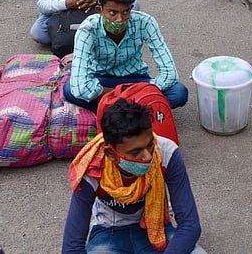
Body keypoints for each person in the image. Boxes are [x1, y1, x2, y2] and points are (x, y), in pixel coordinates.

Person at [61, 99, 203, 254]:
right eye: (135, 152)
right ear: (111, 154)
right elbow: (72, 248)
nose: (148, 156)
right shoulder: (91, 168)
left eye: (150, 144)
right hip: (109, 232)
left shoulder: (166, 152)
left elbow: (190, 225)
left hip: (156, 228)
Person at [67, 0, 190, 111]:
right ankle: (138, 110)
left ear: (131, 8)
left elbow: (169, 72)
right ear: (100, 11)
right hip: (101, 80)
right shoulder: (88, 29)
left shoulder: (145, 22)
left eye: (125, 12)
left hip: (136, 80)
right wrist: (130, 96)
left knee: (178, 92)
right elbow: (80, 87)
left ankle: (112, 109)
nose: (119, 19)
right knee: (70, 90)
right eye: (112, 12)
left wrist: (139, 91)